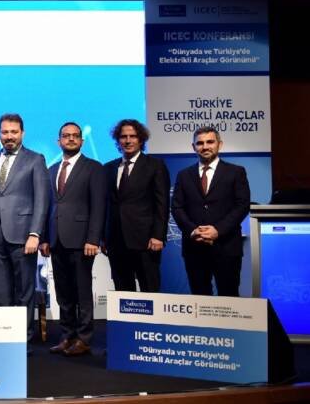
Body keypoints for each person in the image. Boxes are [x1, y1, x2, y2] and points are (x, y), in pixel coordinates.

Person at [40, 122, 105, 356]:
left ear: (81, 141)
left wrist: (93, 239)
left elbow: (98, 206)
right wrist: (44, 238)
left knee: (82, 292)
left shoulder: (93, 168)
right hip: (56, 239)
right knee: (63, 293)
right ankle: (67, 336)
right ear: (58, 141)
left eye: (75, 136)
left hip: (81, 241)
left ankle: (84, 338)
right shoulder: (51, 170)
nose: (70, 139)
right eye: (66, 136)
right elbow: (47, 207)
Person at [0, 113, 48, 343]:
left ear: (22, 133)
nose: (9, 136)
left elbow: (42, 199)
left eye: (13, 132)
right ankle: (6, 339)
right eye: (5, 132)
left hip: (23, 236)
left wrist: (35, 233)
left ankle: (24, 340)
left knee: (24, 291)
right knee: (1, 293)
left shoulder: (35, 159)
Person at [172, 126, 250, 296]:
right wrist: (193, 230)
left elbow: (242, 205)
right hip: (194, 248)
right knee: (199, 298)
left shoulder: (236, 172)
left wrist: (218, 230)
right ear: (193, 147)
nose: (205, 146)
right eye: (200, 143)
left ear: (219, 144)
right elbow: (177, 207)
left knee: (229, 297)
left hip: (226, 247)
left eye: (210, 142)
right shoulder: (184, 175)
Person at [104, 119, 169, 293]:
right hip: (116, 242)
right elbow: (106, 205)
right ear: (118, 140)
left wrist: (158, 236)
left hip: (146, 241)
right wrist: (104, 238)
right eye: (123, 136)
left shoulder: (155, 166)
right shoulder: (108, 168)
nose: (128, 140)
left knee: (150, 290)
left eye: (133, 136)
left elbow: (162, 204)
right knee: (123, 292)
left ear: (141, 140)